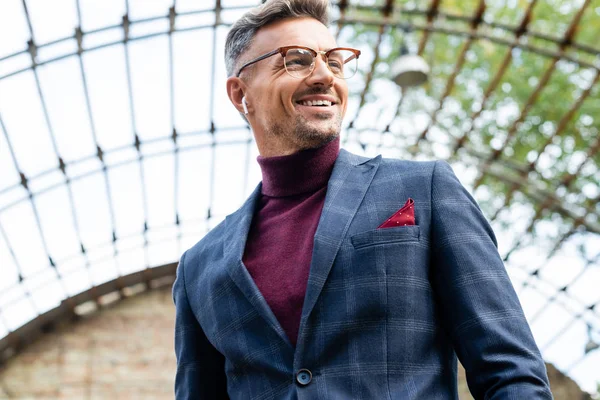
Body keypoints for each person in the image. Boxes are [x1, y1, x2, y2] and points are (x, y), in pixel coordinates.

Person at [172, 0, 553, 398]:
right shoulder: (200, 266)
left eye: (334, 62)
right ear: (240, 93)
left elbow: (511, 375)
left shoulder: (425, 189)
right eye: (296, 60)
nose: (324, 76)